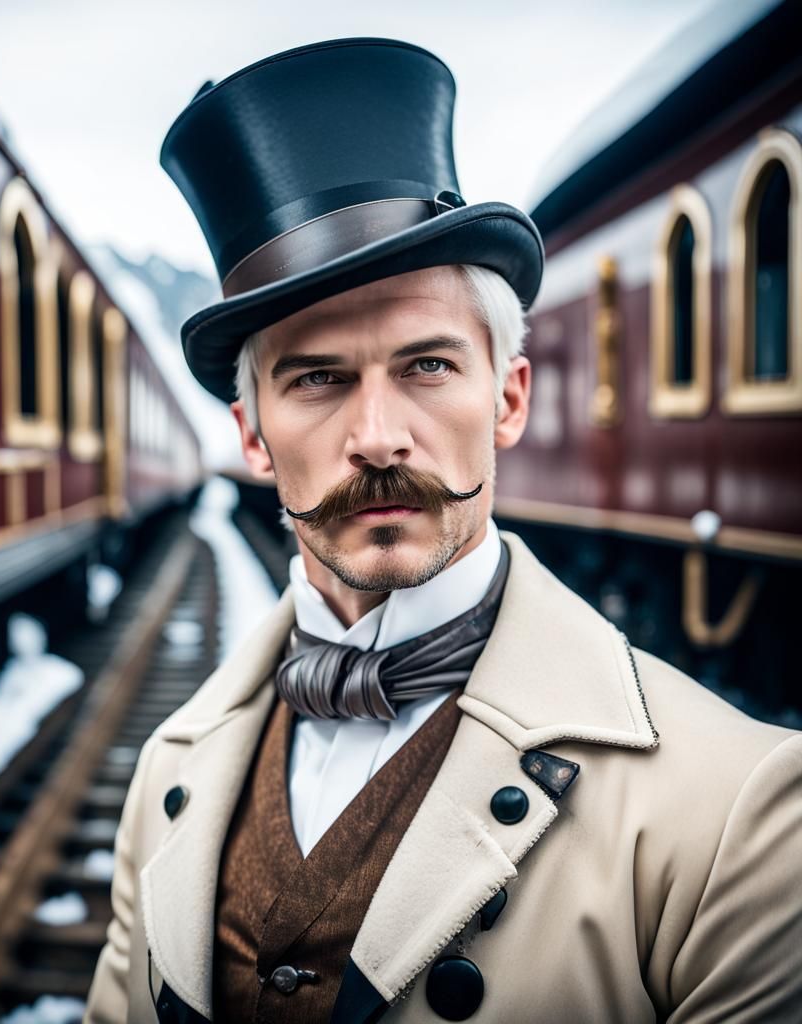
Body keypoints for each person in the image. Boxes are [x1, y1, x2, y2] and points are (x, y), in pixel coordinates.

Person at [86, 38, 802, 1023]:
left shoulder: (736, 810)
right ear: (252, 434)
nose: (377, 437)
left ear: (508, 400)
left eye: (426, 366)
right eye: (317, 378)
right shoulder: (169, 771)